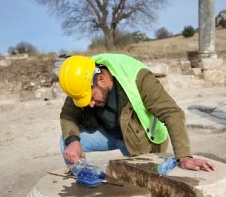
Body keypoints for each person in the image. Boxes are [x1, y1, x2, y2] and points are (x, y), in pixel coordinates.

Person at [58, 53, 215, 172]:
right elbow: (68, 114)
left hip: (141, 141)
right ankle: (82, 177)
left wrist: (184, 156)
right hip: (109, 134)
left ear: (101, 80)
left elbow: (172, 112)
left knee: (146, 186)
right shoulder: (81, 78)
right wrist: (73, 141)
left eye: (91, 97)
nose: (90, 104)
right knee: (66, 141)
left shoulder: (137, 77)